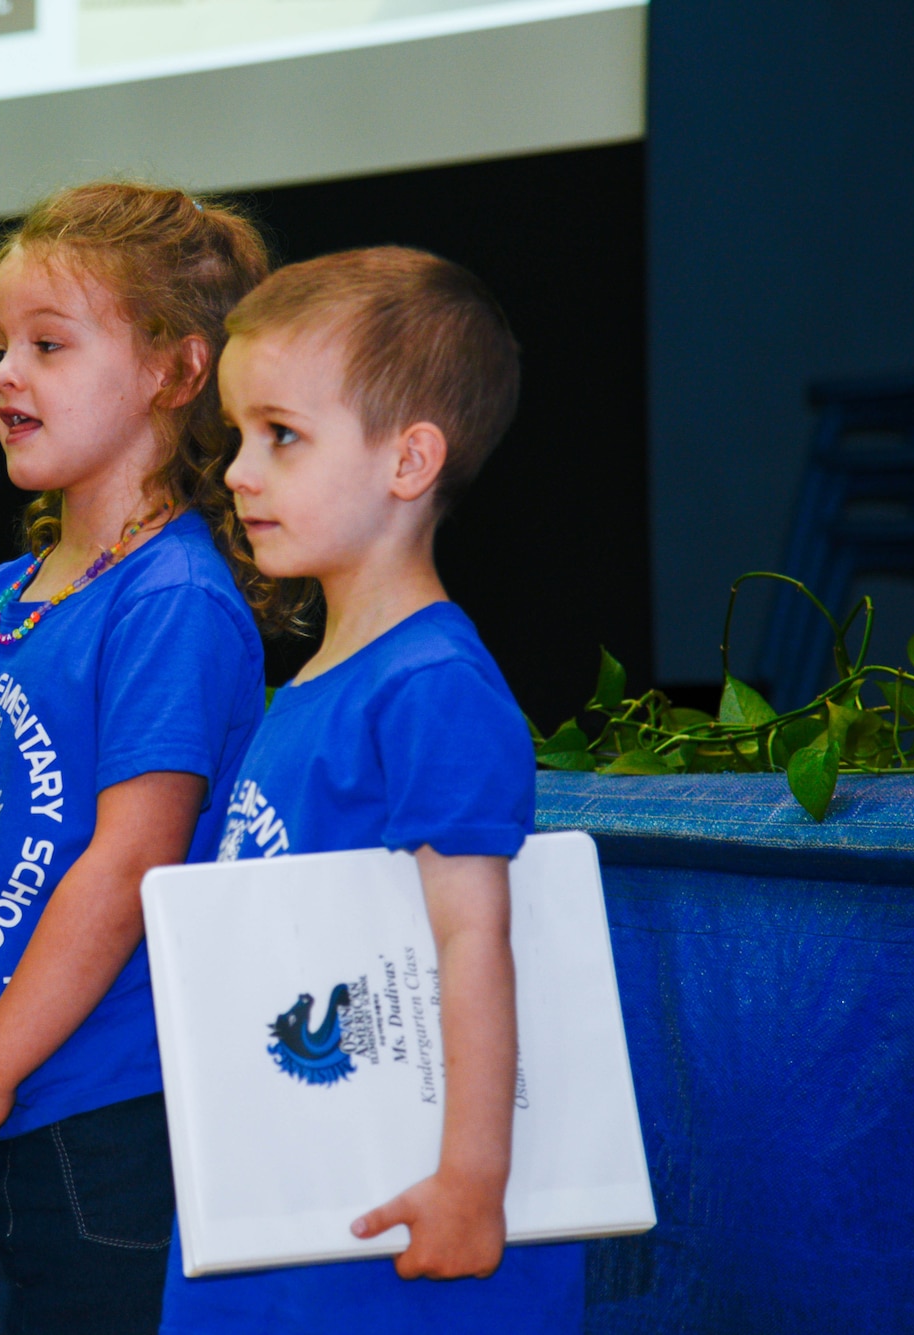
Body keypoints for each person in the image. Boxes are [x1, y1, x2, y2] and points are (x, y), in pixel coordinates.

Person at [0, 183, 288, 1335]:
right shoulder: (3, 592)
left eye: (48, 345)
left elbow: (128, 864)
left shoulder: (174, 601)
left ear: (173, 369)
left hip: (100, 1117)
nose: (5, 374)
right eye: (2, 345)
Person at [159, 246, 585, 1332]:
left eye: (281, 436)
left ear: (408, 461)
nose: (239, 472)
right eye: (237, 437)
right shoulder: (312, 680)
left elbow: (473, 944)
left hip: (382, 1243)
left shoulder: (430, 686)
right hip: (290, 1206)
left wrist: (469, 1181)